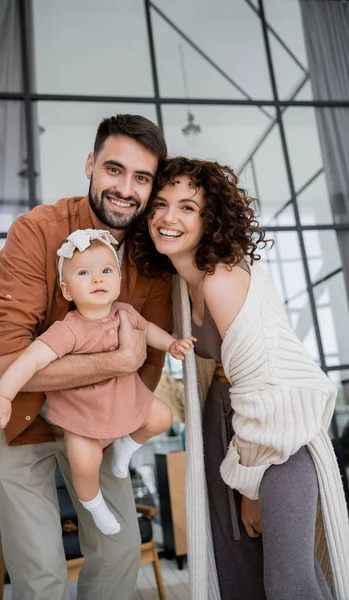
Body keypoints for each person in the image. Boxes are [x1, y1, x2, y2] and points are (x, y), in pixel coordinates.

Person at [0, 114, 172, 600]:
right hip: (21, 417)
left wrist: (121, 409)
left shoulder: (154, 254)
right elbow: (0, 364)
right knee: (41, 573)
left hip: (101, 422)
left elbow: (149, 360)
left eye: (141, 178)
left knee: (121, 549)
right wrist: (113, 363)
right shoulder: (36, 231)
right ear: (90, 165)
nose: (125, 188)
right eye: (114, 170)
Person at [132, 156, 349, 600]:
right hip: (224, 427)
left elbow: (269, 389)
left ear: (210, 219)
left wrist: (252, 483)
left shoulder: (222, 278)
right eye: (160, 204)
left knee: (290, 581)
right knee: (239, 570)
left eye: (187, 207)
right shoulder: (181, 284)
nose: (168, 217)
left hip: (279, 438)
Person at [0, 228, 195, 536]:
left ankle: (125, 446)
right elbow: (29, 361)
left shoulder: (126, 312)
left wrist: (171, 344)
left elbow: (147, 330)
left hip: (124, 400)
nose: (98, 279)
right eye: (84, 273)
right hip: (83, 414)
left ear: (118, 282)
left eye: (106, 271)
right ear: (67, 291)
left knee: (161, 417)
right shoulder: (68, 330)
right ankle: (95, 506)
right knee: (85, 463)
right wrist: (2, 396)